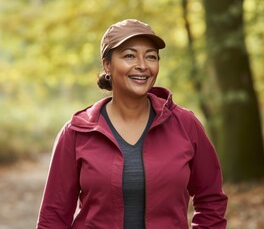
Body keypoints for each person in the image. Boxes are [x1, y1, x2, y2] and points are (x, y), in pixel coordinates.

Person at [36, 19, 227, 229]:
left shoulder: (185, 124)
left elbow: (211, 199)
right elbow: (53, 216)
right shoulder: (77, 132)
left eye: (151, 56)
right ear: (107, 64)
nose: (142, 65)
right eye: (129, 55)